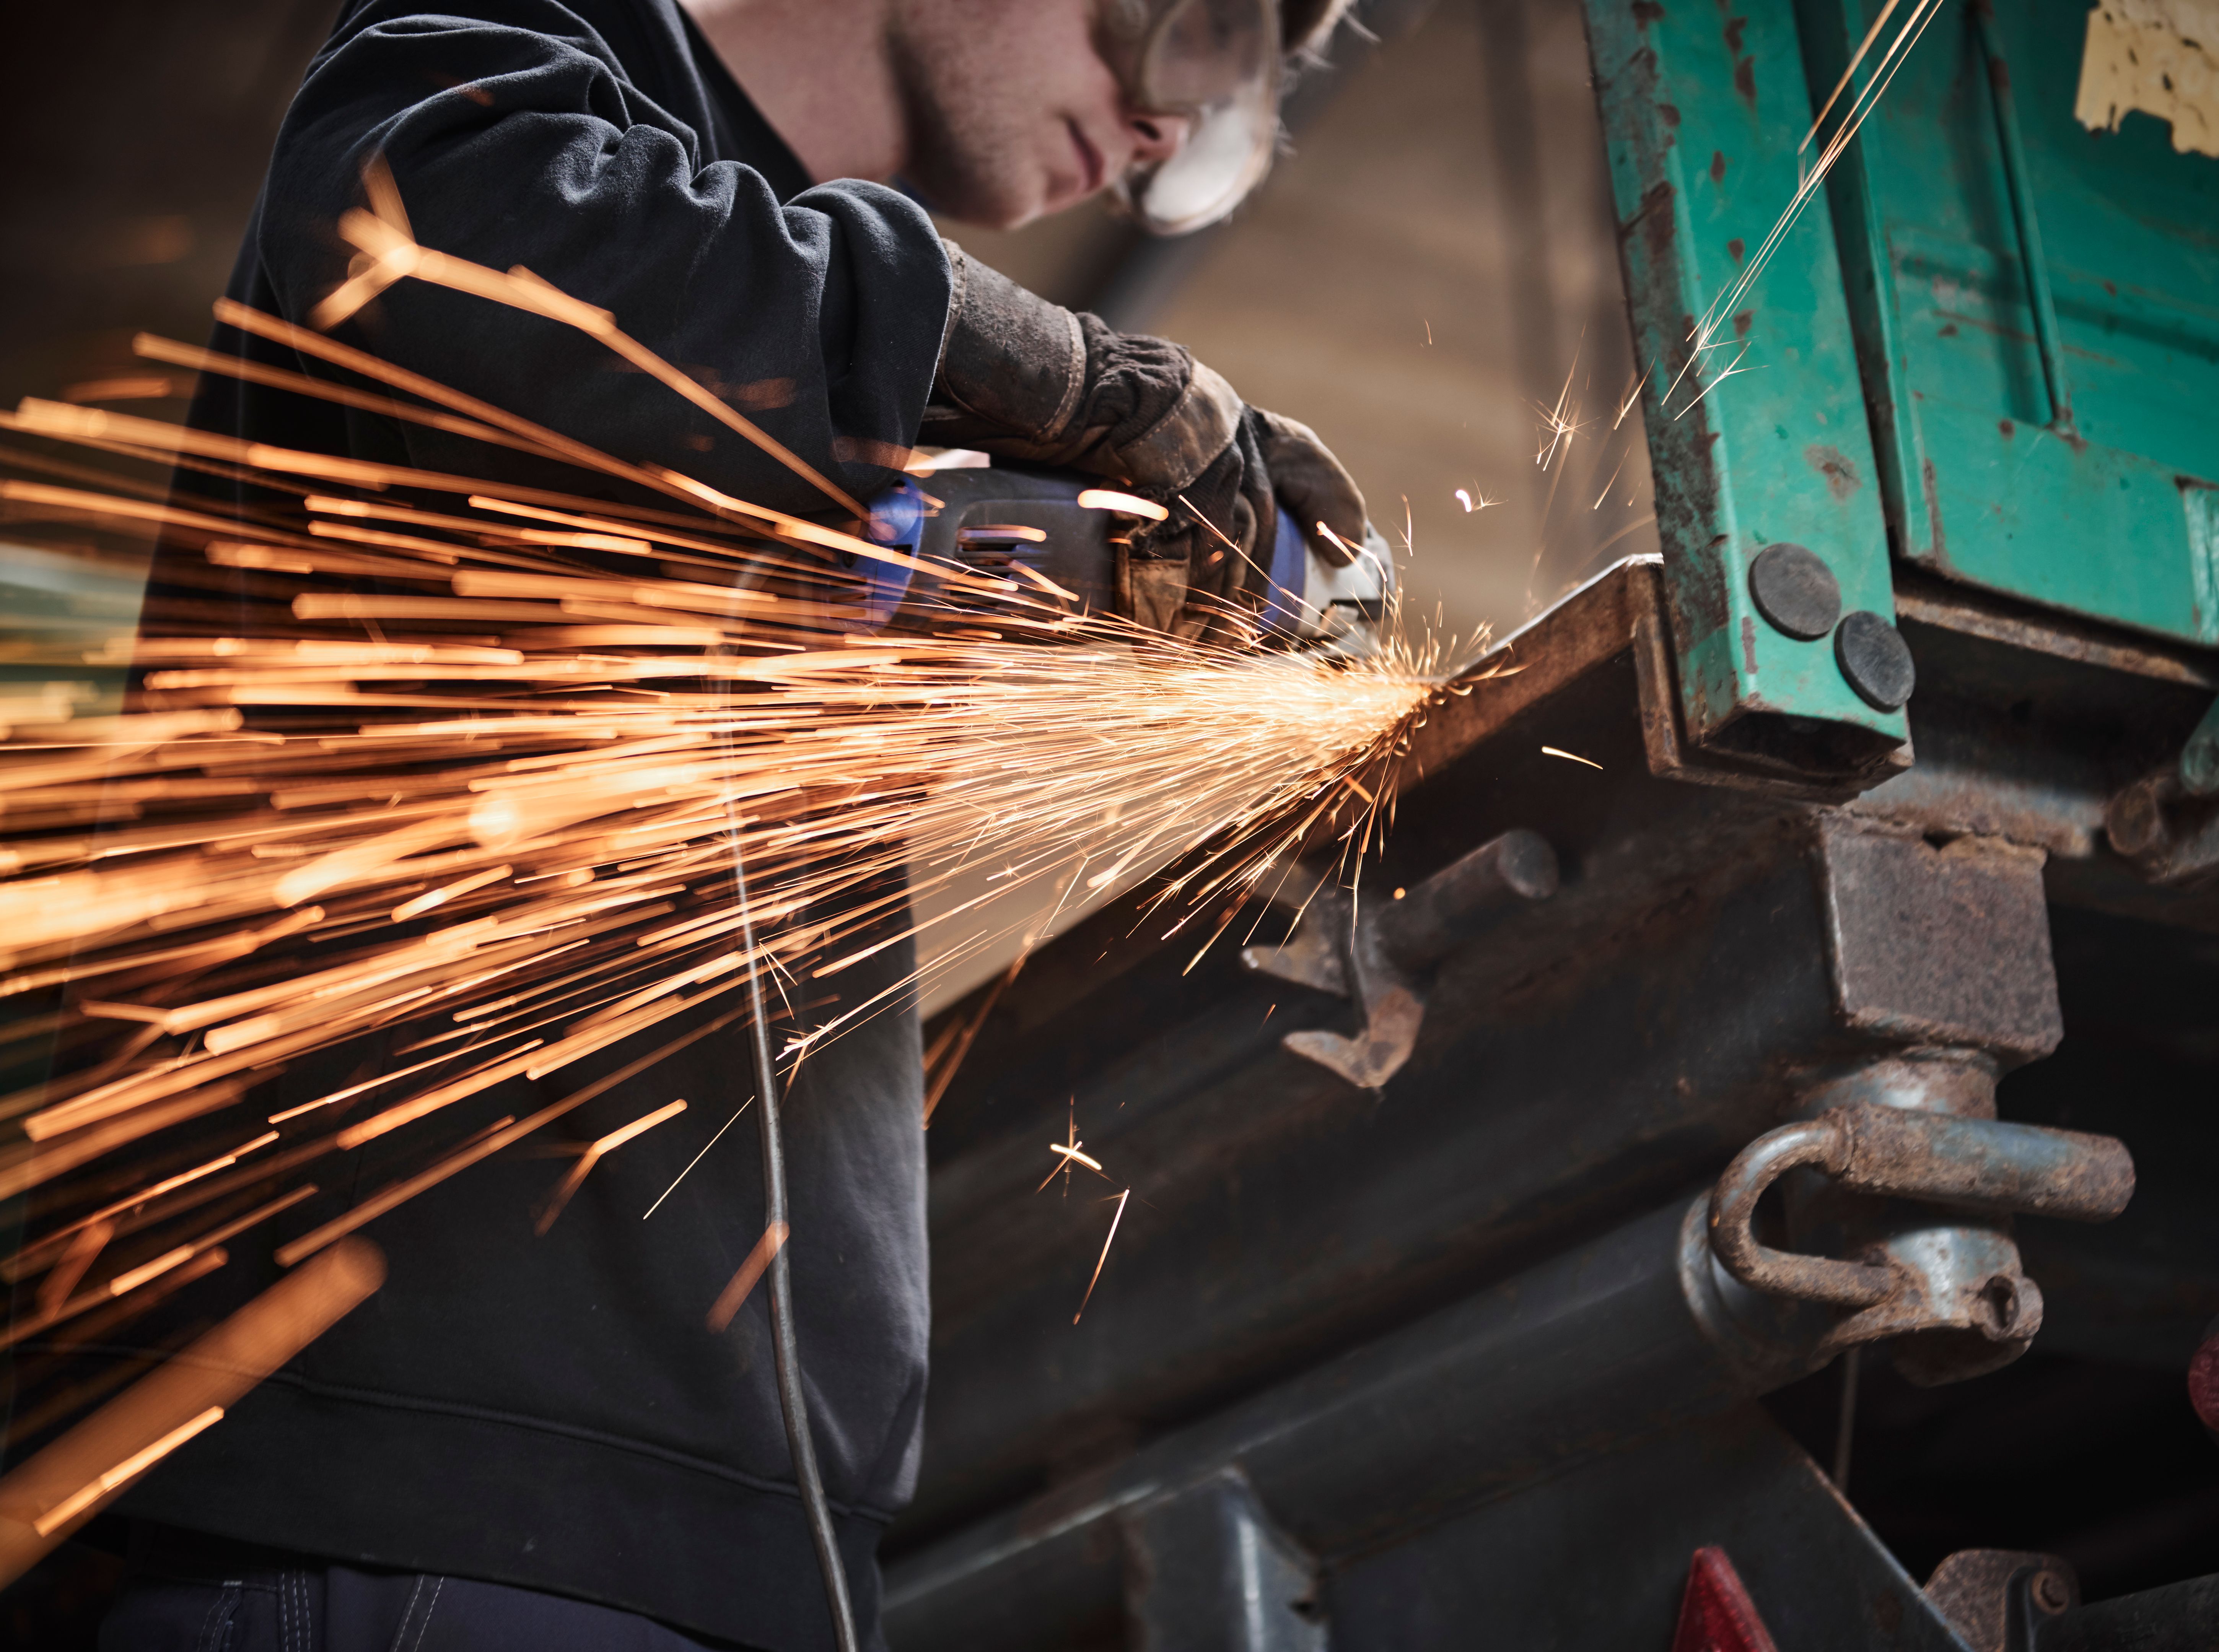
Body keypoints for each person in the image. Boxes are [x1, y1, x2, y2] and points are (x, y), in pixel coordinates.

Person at [94, 2, 1365, 1647]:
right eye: (1197, 20)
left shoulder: (816, 377)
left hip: (714, 1556)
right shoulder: (521, 66)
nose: (1164, 124)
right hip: (439, 1526)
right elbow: (459, 222)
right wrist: (1044, 361)